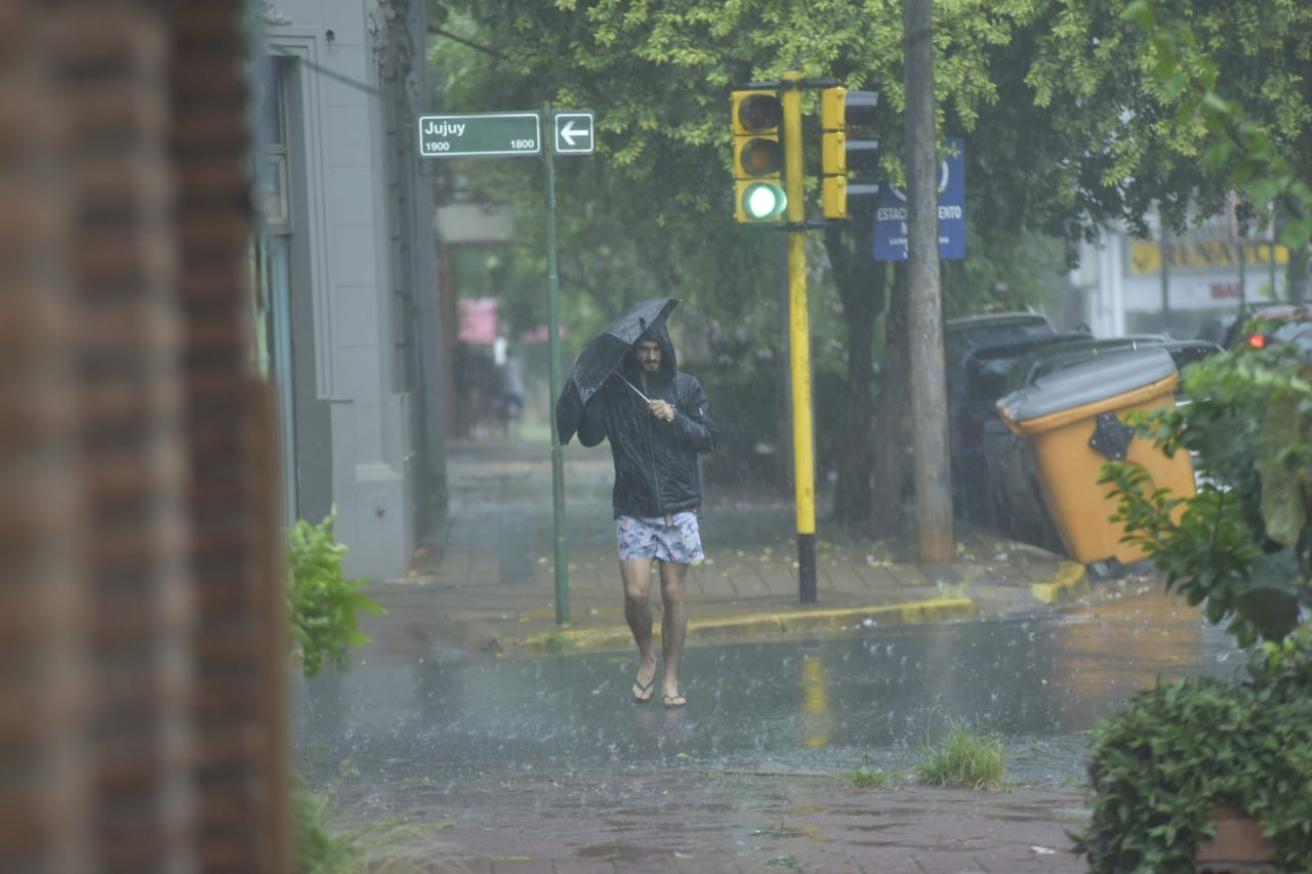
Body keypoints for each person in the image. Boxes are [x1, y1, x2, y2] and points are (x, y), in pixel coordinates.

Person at [577, 319, 715, 708]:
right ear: (632, 352)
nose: (650, 357)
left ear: (665, 350)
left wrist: (675, 417)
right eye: (643, 350)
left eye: (656, 350)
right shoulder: (617, 391)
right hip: (633, 508)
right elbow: (589, 437)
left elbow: (708, 438)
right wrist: (590, 399)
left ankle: (671, 676)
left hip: (678, 506)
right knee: (636, 595)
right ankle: (646, 655)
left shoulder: (685, 387)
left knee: (673, 594)